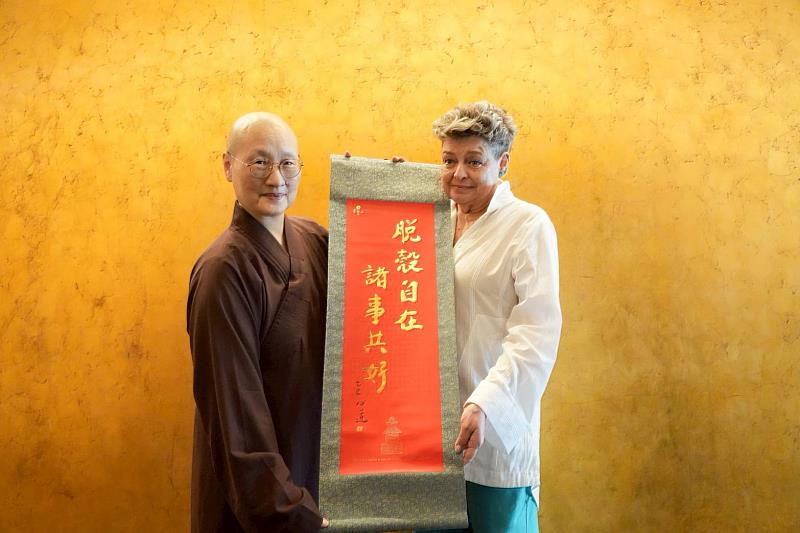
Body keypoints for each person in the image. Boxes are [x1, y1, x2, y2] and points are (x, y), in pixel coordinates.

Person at [187, 112, 329, 532]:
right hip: (262, 501)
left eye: (287, 163)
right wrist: (287, 509)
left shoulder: (314, 240)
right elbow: (235, 411)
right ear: (227, 165)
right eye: (260, 162)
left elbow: (380, 286)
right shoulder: (223, 271)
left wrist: (392, 195)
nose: (276, 178)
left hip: (313, 471)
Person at [429, 101, 562, 532]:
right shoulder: (430, 217)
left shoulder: (527, 225)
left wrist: (486, 402)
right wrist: (376, 182)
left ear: (502, 163)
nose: (458, 173)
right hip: (429, 430)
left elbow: (537, 331)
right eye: (448, 160)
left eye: (474, 161)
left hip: (495, 428)